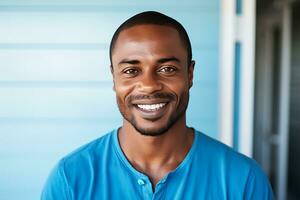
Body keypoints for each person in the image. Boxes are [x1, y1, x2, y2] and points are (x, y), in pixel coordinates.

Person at [41, 11, 274, 200]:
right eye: (131, 71)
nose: (149, 86)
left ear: (190, 74)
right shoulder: (71, 179)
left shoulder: (242, 179)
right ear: (114, 78)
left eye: (167, 69)